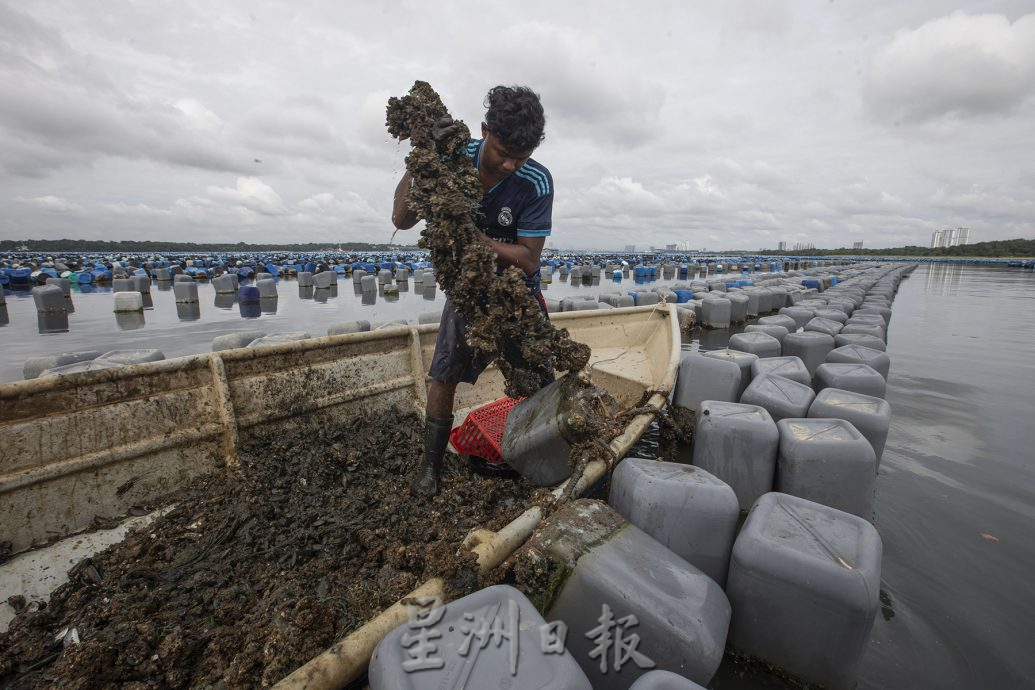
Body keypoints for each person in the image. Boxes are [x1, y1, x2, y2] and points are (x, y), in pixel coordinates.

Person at [391, 85, 554, 496]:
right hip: (467, 291)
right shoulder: (452, 158)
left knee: (538, 379)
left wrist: (472, 239)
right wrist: (425, 154)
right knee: (443, 375)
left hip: (516, 295)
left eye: (523, 156)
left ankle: (539, 458)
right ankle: (431, 465)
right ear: (484, 131)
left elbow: (528, 258)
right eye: (502, 152)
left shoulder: (536, 181)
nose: (511, 165)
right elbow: (402, 217)